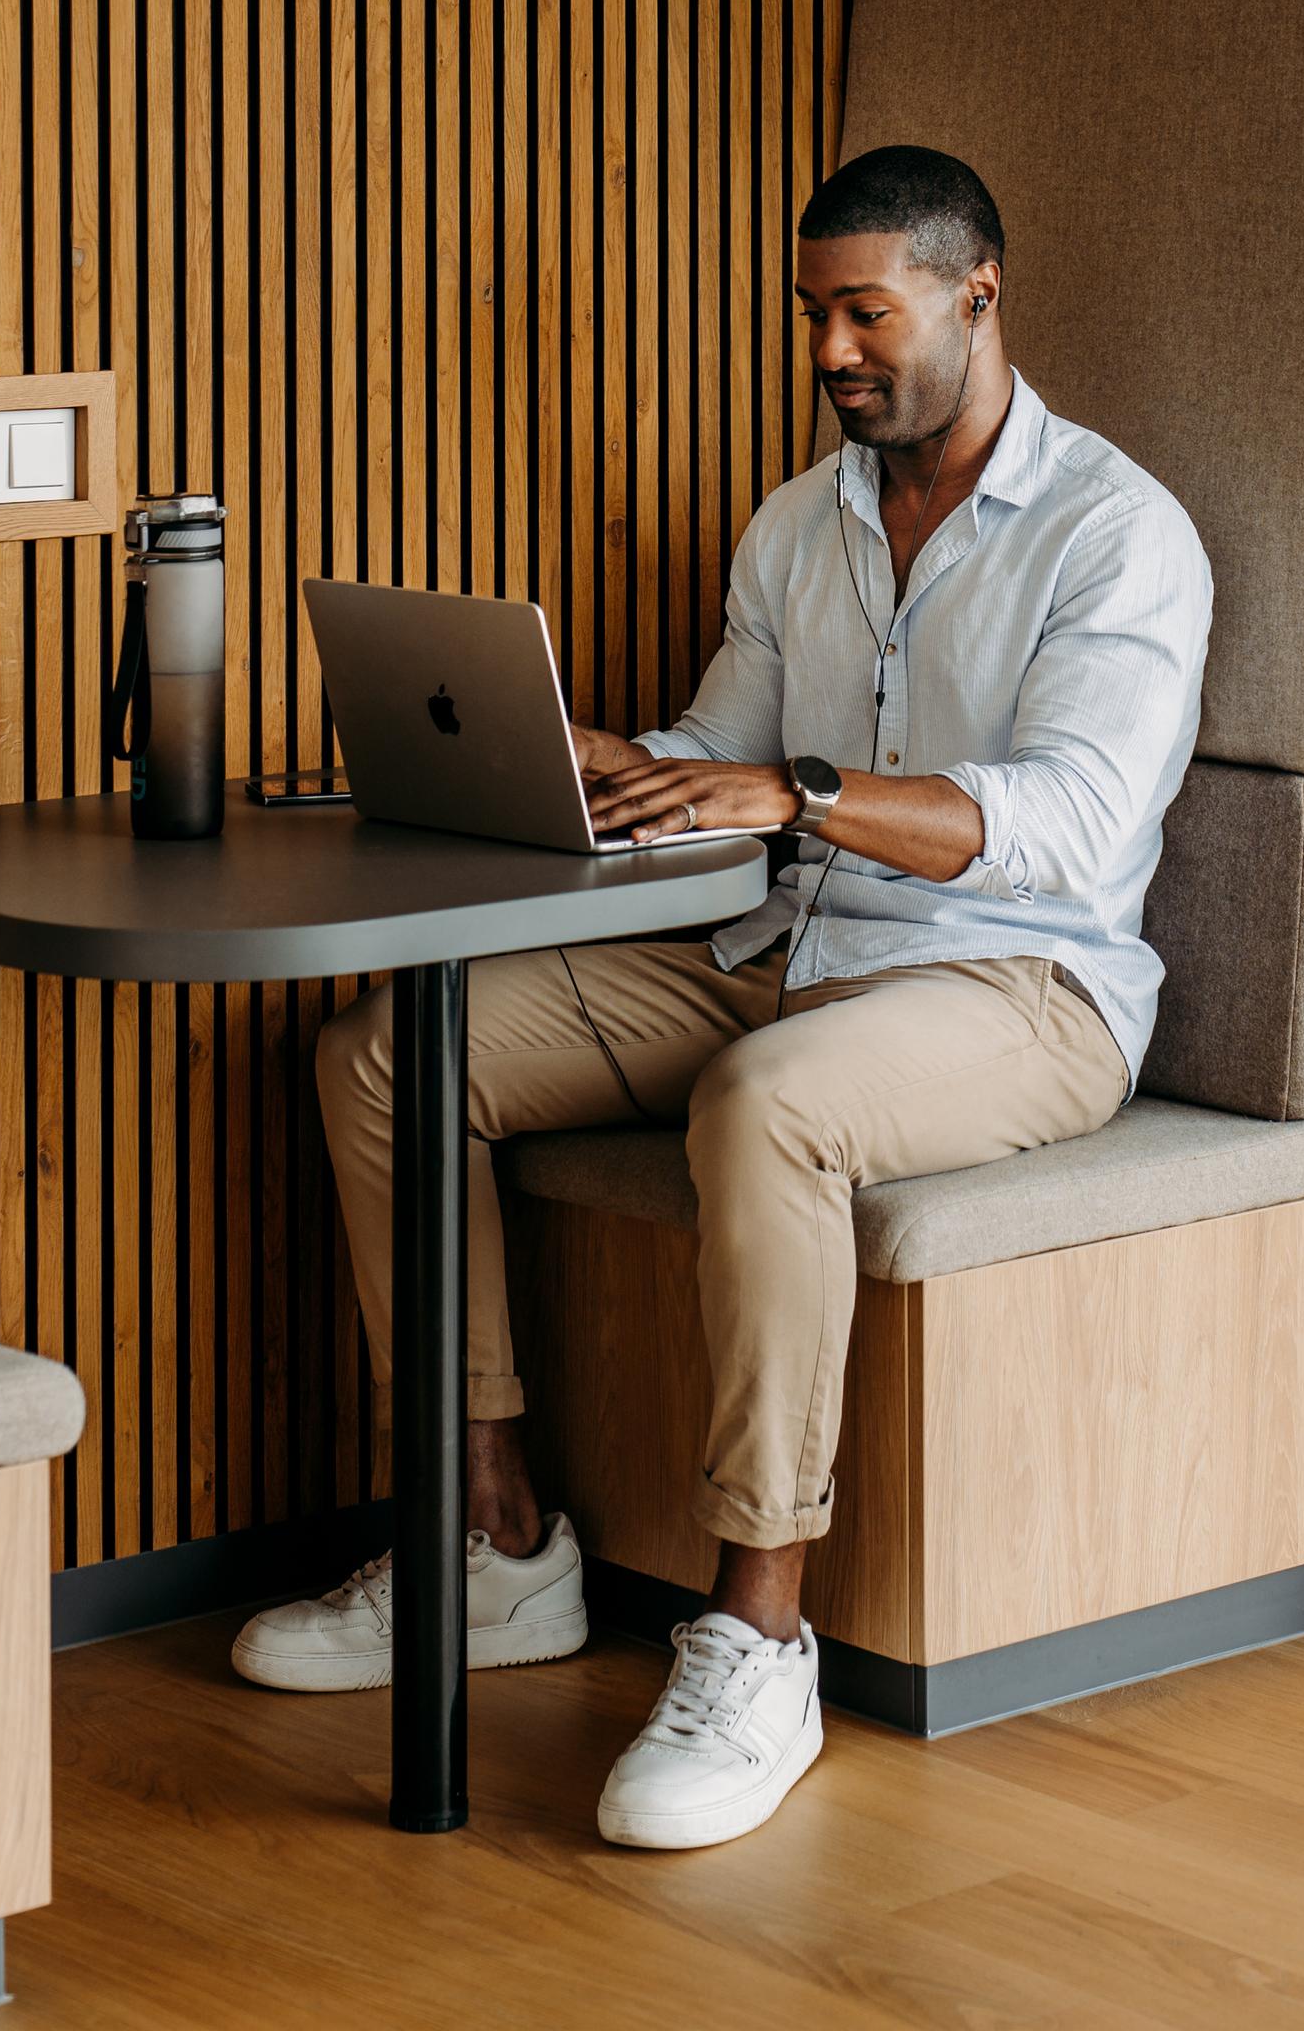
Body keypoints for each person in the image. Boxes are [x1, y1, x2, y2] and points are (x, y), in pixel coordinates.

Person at [232, 143, 1211, 1849]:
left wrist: (796, 793)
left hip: (1017, 989)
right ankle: (498, 1544)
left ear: (981, 298)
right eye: (812, 313)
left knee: (765, 1107)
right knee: (393, 1052)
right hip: (775, 956)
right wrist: (622, 767)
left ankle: (759, 1638)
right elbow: (733, 753)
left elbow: (1073, 820)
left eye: (865, 311)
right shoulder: (799, 520)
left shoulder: (1116, 535)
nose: (832, 349)